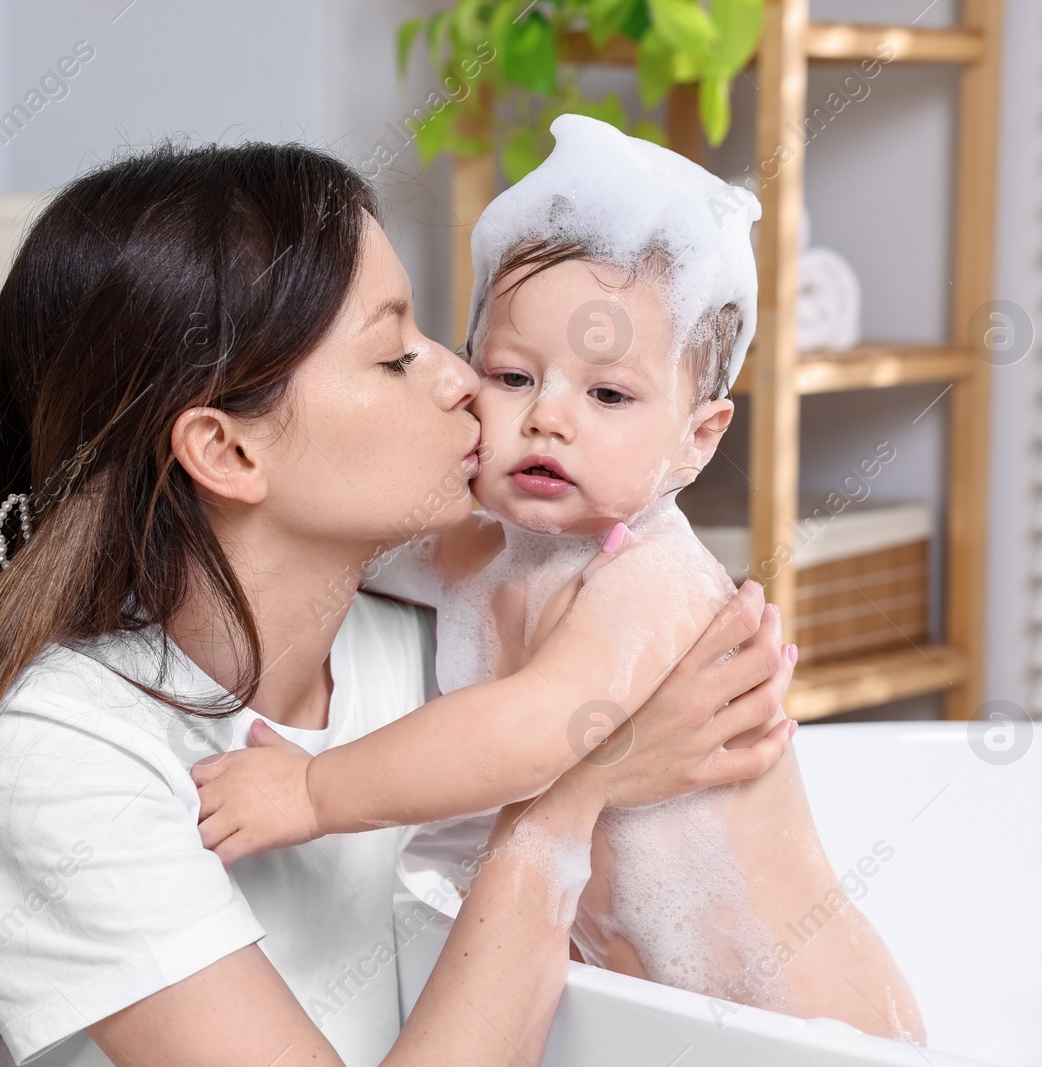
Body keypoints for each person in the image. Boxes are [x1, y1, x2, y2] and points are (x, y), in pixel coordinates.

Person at [0, 137, 794, 1067]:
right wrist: (567, 799)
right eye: (396, 352)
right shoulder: (59, 757)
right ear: (228, 450)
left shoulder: (426, 645)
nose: (465, 381)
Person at [193, 116, 924, 1041]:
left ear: (697, 438)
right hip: (656, 1008)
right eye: (511, 375)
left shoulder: (649, 578)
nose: (549, 418)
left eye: (609, 394)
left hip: (801, 1023)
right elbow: (350, 549)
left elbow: (532, 730)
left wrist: (314, 791)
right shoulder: (491, 545)